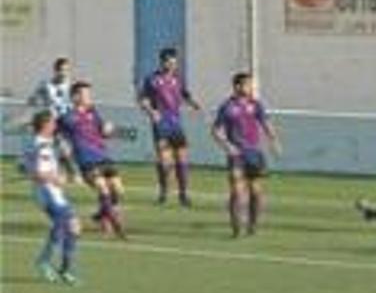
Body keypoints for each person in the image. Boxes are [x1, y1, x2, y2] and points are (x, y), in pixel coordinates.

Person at [212, 72, 281, 237]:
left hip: (254, 154)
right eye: (247, 84)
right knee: (237, 190)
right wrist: (227, 145)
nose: (250, 88)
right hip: (236, 155)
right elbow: (215, 130)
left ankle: (253, 225)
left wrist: (274, 141)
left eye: (251, 85)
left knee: (256, 192)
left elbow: (266, 123)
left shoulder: (255, 105)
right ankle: (236, 227)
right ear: (237, 86)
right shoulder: (227, 107)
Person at [57, 81, 126, 239]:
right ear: (75, 97)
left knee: (119, 191)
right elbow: (58, 136)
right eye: (85, 94)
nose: (89, 97)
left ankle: (101, 215)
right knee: (103, 189)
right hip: (87, 160)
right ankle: (117, 228)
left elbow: (103, 132)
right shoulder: (67, 117)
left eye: (89, 94)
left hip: (104, 157)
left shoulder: (93, 112)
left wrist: (108, 130)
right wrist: (64, 154)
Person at [23, 110, 81, 285]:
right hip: (44, 191)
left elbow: (52, 166)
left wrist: (62, 175)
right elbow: (34, 172)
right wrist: (53, 178)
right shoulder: (35, 144)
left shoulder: (51, 142)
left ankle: (65, 270)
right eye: (53, 123)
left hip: (56, 191)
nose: (55, 125)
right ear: (45, 125)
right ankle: (44, 261)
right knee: (61, 223)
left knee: (75, 227)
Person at [138, 47, 201, 207]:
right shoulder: (152, 79)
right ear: (162, 62)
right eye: (169, 62)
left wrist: (194, 104)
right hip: (161, 125)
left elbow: (185, 94)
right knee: (165, 162)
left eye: (174, 62)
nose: (173, 65)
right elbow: (143, 99)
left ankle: (183, 194)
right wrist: (151, 111)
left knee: (182, 161)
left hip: (177, 125)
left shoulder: (177, 79)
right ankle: (164, 192)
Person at [24, 57, 79, 182]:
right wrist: (32, 102)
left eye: (66, 70)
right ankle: (72, 173)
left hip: (68, 120)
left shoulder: (71, 85)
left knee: (65, 149)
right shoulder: (46, 84)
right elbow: (33, 98)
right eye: (61, 70)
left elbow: (76, 101)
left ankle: (64, 173)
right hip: (52, 121)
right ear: (55, 70)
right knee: (61, 146)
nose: (64, 73)